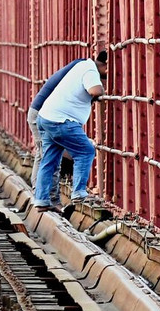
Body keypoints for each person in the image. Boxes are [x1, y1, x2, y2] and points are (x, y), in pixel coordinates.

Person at [32, 50, 109, 211]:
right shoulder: (90, 69)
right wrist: (102, 90)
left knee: (49, 161)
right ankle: (79, 192)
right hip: (62, 121)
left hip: (45, 117)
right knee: (86, 151)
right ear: (104, 65)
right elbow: (95, 90)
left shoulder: (82, 65)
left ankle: (41, 200)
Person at [27, 58, 83, 206]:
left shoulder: (76, 69)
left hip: (42, 114)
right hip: (43, 115)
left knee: (45, 156)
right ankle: (47, 198)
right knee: (49, 158)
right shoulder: (82, 71)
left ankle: (43, 196)